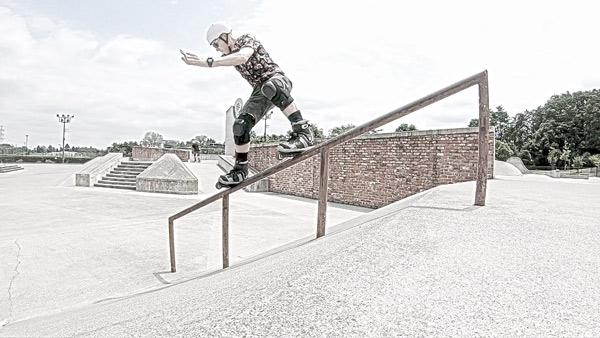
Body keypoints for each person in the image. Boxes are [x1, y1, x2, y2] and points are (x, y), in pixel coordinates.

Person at [180, 21, 314, 187]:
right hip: (260, 92)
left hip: (278, 81)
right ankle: (240, 169)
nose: (216, 48)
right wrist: (200, 62)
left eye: (216, 43)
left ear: (225, 36)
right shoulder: (227, 55)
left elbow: (242, 56)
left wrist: (208, 61)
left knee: (269, 87)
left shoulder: (246, 40)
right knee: (240, 126)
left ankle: (303, 132)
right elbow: (225, 60)